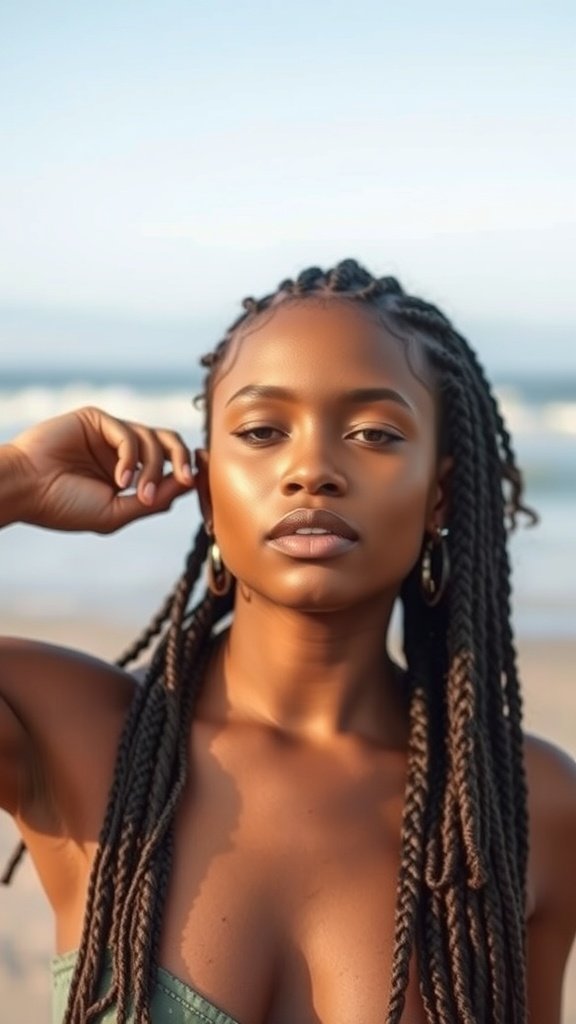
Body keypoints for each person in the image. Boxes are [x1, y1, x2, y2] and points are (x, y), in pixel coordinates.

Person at [1, 259, 575, 1024]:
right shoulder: (71, 730)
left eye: (373, 432)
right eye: (262, 431)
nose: (312, 471)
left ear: (439, 493)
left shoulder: (520, 804)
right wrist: (10, 480)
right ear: (206, 482)